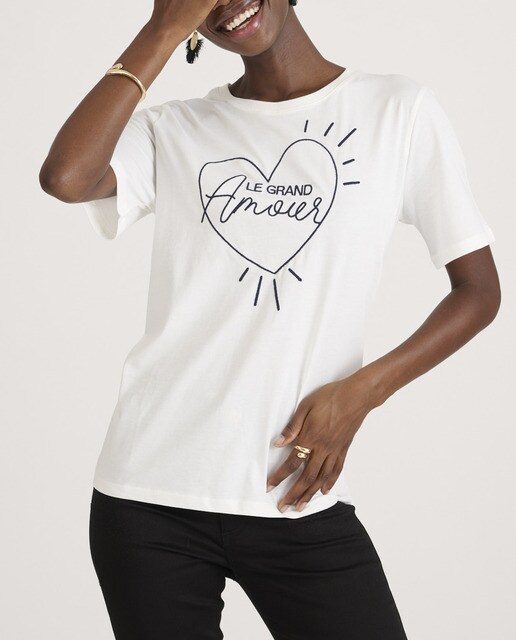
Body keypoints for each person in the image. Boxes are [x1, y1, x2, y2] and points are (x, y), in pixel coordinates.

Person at [39, 1, 501, 638]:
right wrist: (163, 30)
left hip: (295, 495)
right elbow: (66, 177)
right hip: (148, 502)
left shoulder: (397, 110)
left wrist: (360, 394)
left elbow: (477, 292)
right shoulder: (174, 130)